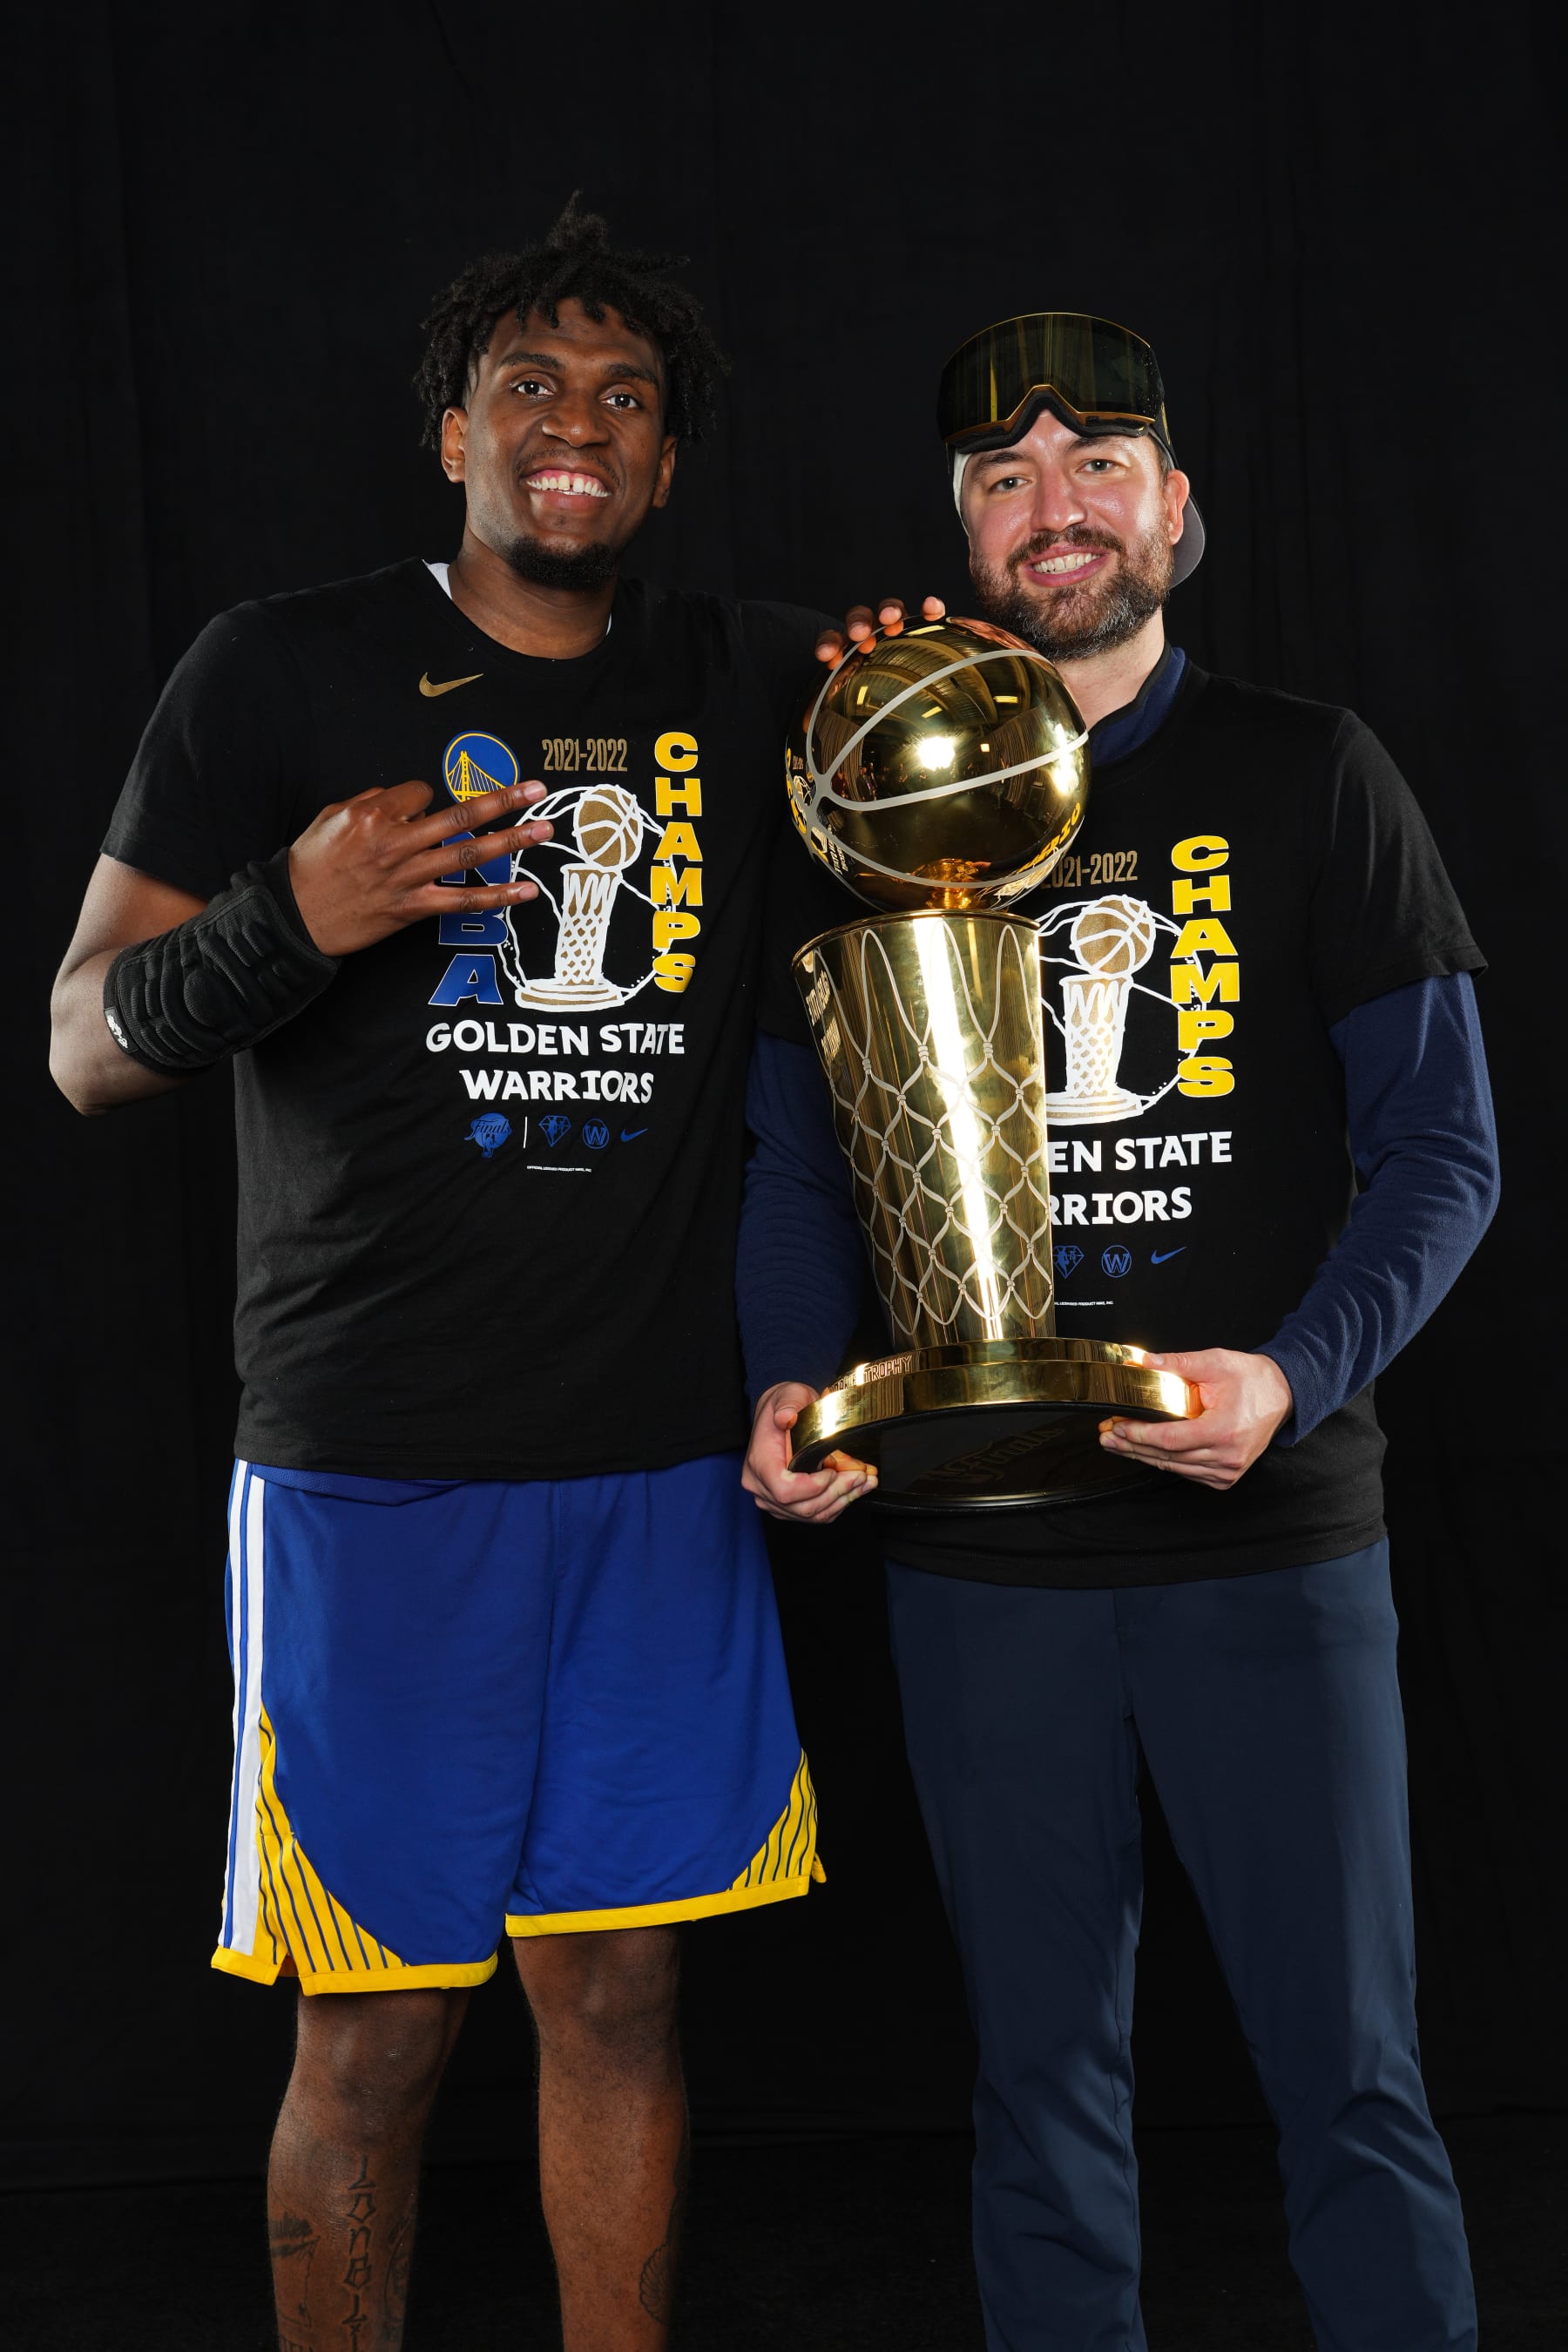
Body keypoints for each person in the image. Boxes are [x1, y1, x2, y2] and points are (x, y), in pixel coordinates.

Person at [50, 198, 868, 2352]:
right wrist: (288, 919)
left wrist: (908, 660)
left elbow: (927, 799)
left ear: (666, 461)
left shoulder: (746, 679)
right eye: (528, 387)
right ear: (453, 434)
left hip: (656, 1468)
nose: (574, 425)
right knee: (379, 2029)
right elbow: (82, 1045)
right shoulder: (278, 665)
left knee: (618, 1995)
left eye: (624, 396)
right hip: (378, 1469)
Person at [740, 312, 1497, 2349]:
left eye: (1097, 467)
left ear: (1176, 510)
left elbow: (1445, 1151)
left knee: (1352, 2075)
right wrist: (793, 1384)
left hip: (1267, 1534)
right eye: (1005, 478)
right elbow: (800, 1170)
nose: (1052, 506)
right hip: (986, 1550)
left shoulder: (1306, 770)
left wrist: (1298, 1376)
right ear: (965, 535)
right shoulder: (862, 783)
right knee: (1041, 2088)